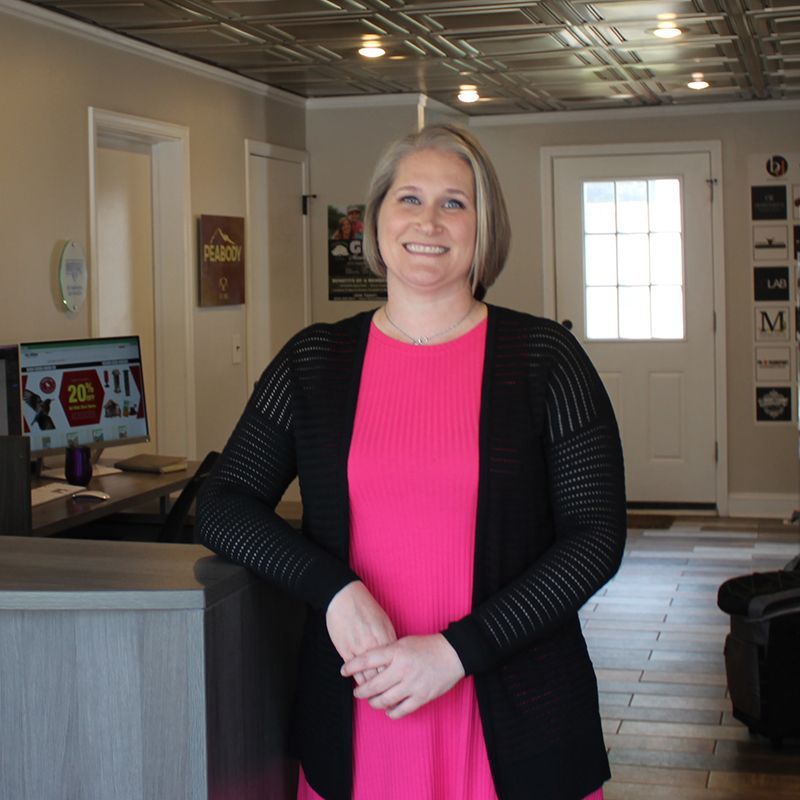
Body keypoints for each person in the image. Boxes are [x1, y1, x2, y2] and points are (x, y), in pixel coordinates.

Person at [197, 123, 626, 800]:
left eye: (456, 202)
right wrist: (333, 590)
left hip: (514, 715)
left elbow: (595, 539)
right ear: (374, 220)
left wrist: (458, 652)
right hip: (362, 708)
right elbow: (221, 504)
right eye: (410, 198)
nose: (430, 220)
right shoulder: (315, 361)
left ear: (485, 229)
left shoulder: (546, 360)